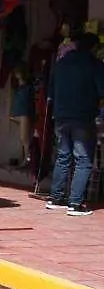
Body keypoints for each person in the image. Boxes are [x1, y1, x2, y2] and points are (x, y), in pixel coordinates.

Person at [45, 33, 104, 216]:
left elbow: (50, 92)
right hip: (82, 117)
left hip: (61, 117)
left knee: (63, 156)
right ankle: (76, 204)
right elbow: (102, 90)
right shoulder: (95, 65)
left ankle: (56, 198)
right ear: (93, 48)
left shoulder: (60, 64)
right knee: (83, 159)